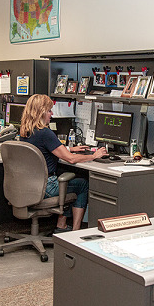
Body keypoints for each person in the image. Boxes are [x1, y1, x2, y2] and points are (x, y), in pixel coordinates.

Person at [19, 94, 107, 232]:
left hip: (28, 185)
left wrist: (70, 149)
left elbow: (46, 149)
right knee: (83, 184)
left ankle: (62, 225)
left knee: (67, 179)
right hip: (47, 187)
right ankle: (74, 232)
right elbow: (70, 159)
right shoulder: (45, 133)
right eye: (49, 110)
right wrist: (94, 156)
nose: (51, 114)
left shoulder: (25, 132)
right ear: (40, 112)